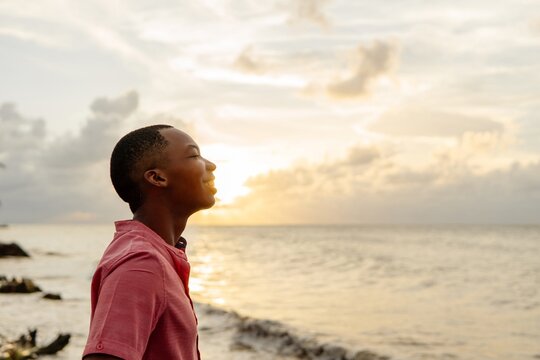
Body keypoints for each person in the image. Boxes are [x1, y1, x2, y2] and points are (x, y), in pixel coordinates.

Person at [82, 125, 217, 360]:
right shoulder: (141, 262)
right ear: (157, 177)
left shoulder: (157, 255)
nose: (210, 165)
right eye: (194, 155)